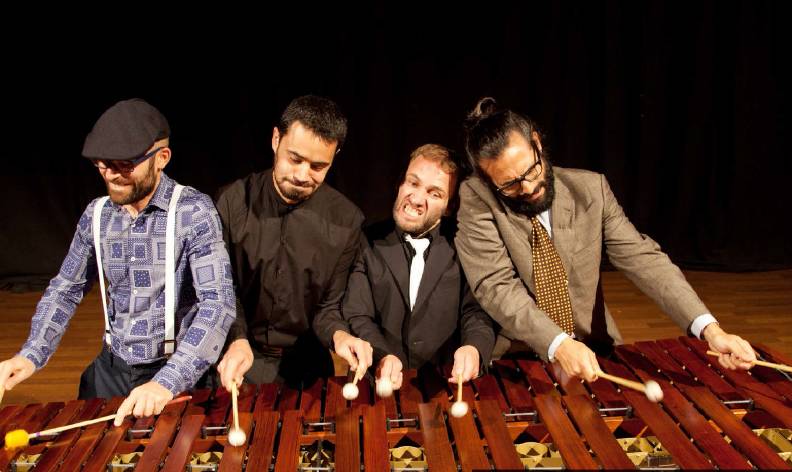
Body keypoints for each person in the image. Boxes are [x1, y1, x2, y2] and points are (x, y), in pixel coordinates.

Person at [455, 97, 756, 382]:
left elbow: (644, 260)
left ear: (537, 142)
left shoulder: (591, 189)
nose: (529, 187)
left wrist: (711, 330)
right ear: (487, 180)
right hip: (519, 357)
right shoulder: (476, 198)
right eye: (510, 184)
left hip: (595, 350)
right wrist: (558, 343)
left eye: (532, 169)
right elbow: (495, 286)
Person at [0, 99, 236, 426]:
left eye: (124, 165)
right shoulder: (96, 214)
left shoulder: (193, 212)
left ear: (162, 158)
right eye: (103, 164)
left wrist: (167, 381)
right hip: (110, 371)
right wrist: (30, 354)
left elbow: (218, 304)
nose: (111, 175)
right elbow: (65, 289)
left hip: (173, 372)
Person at [215, 95, 371, 390]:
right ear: (276, 139)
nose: (302, 175)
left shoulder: (347, 221)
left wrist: (340, 336)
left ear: (335, 156)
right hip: (238, 357)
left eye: (317, 166)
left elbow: (328, 308)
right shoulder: (232, 203)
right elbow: (222, 290)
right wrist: (236, 338)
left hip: (306, 369)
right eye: (295, 159)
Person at [343, 144, 495, 388]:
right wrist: (382, 356)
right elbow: (358, 314)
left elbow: (476, 312)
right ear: (400, 184)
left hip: (447, 384)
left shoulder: (465, 244)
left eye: (434, 193)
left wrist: (474, 348)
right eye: (413, 183)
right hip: (378, 383)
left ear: (450, 206)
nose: (415, 199)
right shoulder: (366, 240)